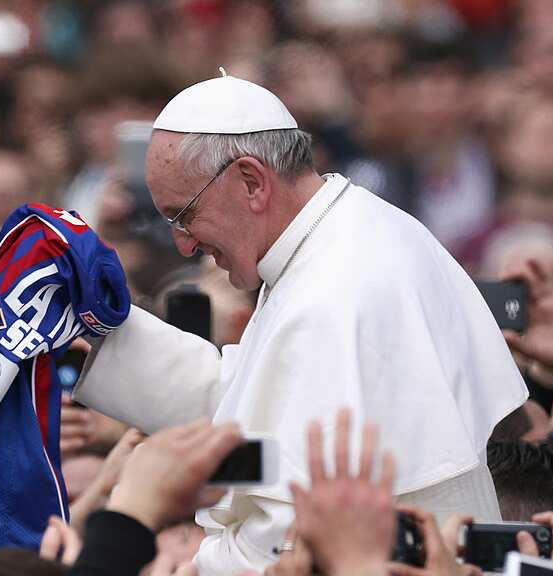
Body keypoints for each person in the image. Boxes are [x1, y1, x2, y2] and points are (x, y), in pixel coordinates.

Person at [70, 71, 528, 573]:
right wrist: (94, 325)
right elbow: (249, 399)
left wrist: (171, 564)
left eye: (184, 216)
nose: (183, 244)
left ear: (251, 181)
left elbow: (285, 537)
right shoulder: (343, 230)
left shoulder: (335, 289)